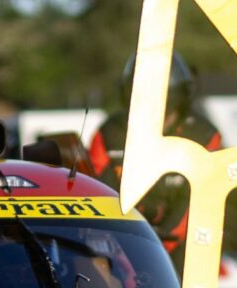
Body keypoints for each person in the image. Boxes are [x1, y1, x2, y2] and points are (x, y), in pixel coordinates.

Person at [84, 54, 226, 273]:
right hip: (122, 245)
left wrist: (155, 249)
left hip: (186, 250)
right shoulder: (109, 133)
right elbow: (97, 195)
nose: (158, 119)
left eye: (166, 113)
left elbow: (199, 204)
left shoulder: (203, 135)